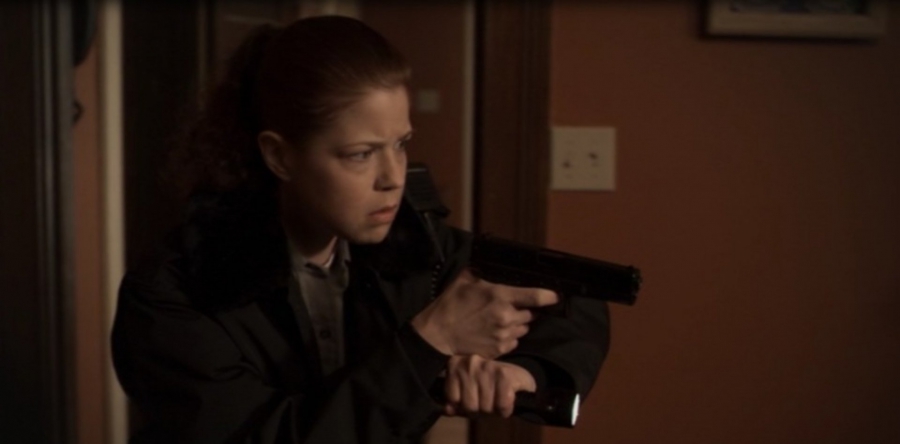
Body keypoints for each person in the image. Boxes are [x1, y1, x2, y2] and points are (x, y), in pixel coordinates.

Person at [111, 15, 610, 444]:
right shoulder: (173, 294)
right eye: (360, 154)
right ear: (280, 156)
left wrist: (521, 371)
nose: (393, 178)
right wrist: (430, 342)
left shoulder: (412, 245)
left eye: (401, 144)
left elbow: (574, 300)